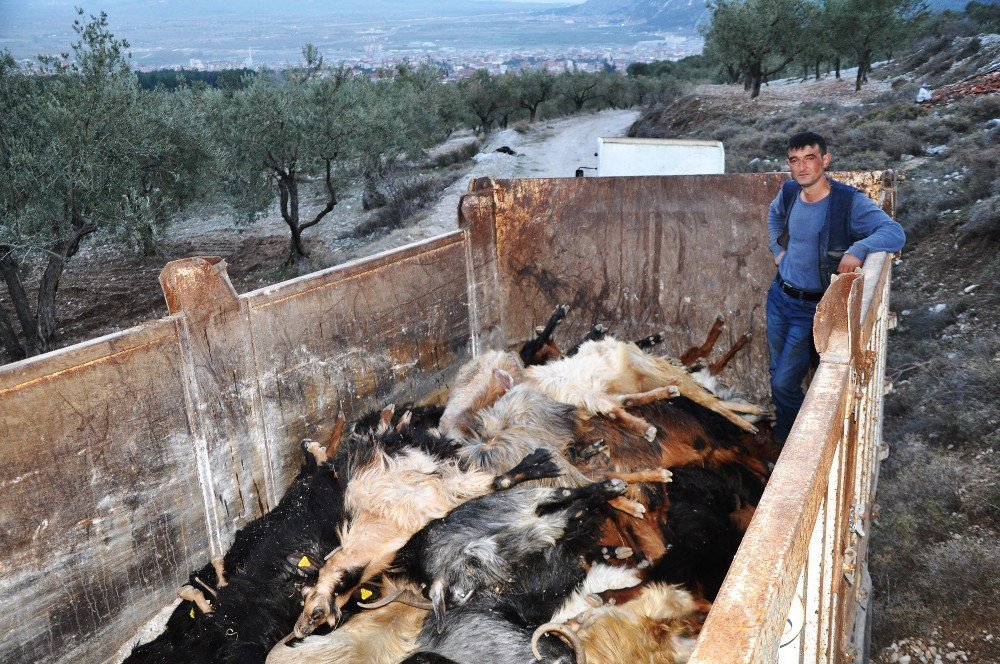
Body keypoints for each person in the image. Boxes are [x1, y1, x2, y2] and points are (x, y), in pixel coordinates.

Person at [766, 131, 905, 445]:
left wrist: (859, 248)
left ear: (825, 160)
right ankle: (788, 430)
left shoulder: (847, 202)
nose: (801, 168)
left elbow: (894, 232)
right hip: (779, 298)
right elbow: (774, 217)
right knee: (778, 373)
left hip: (811, 310)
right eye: (794, 160)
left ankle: (793, 442)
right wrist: (778, 251)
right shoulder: (789, 192)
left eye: (810, 158)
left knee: (784, 383)